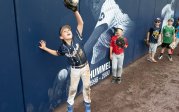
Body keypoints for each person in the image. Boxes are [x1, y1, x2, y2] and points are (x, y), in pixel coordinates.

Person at [39, 4, 91, 112]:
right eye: (64, 30)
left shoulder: (77, 38)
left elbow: (81, 23)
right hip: (75, 70)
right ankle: (70, 108)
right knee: (72, 90)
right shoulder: (63, 47)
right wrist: (45, 48)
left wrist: (75, 10)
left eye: (68, 29)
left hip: (85, 67)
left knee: (86, 87)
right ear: (61, 37)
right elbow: (57, 53)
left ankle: (87, 107)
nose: (67, 31)